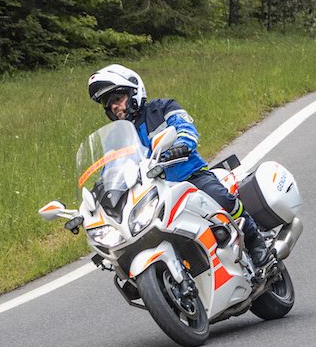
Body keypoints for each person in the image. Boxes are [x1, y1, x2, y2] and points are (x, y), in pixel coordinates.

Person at [86, 64, 274, 277]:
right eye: (108, 103)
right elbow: (111, 170)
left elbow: (186, 128)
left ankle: (255, 240)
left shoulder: (162, 108)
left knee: (221, 200)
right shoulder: (115, 138)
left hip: (188, 177)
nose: (114, 107)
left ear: (134, 91)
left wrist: (182, 145)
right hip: (151, 193)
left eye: (117, 99)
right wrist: (97, 195)